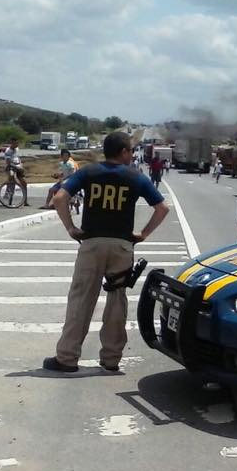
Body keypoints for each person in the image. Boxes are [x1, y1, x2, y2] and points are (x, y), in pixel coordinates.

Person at [42, 131, 169, 373]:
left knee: (81, 300)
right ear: (123, 152)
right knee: (116, 302)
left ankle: (67, 358)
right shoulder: (135, 177)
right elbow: (162, 208)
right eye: (130, 150)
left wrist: (71, 227)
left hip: (91, 243)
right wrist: (143, 234)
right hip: (121, 246)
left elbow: (60, 198)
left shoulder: (89, 172)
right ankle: (111, 359)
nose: (132, 155)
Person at [3, 137, 29, 205]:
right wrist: (17, 167)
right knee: (12, 177)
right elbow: (8, 162)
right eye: (15, 143)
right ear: (12, 143)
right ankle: (8, 192)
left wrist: (21, 165)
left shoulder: (17, 149)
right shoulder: (8, 151)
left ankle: (25, 201)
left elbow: (18, 158)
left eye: (17, 143)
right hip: (11, 167)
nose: (17, 144)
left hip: (18, 166)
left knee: (24, 183)